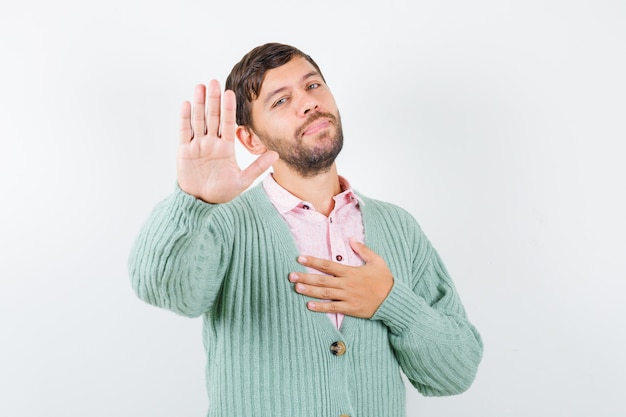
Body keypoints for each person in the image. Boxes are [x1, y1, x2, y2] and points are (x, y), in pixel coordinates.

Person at [129, 42, 483, 417]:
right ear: (250, 139)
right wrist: (193, 200)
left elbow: (456, 373)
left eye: (313, 86)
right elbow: (161, 287)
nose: (308, 102)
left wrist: (392, 302)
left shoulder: (398, 226)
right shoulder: (223, 222)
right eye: (280, 101)